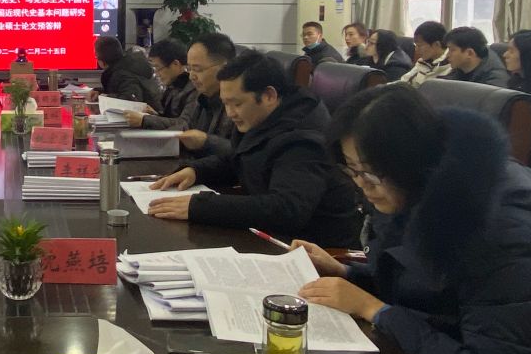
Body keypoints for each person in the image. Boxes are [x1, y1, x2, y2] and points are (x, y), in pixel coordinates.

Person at [292, 84, 531, 354]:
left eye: (369, 173)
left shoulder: (501, 234)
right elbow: (422, 286)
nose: (362, 187)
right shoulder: (417, 194)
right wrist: (347, 273)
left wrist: (376, 310)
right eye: (352, 171)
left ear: (409, 160)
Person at [148, 51, 360, 247]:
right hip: (271, 236)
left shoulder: (303, 138)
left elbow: (286, 209)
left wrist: (200, 207)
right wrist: (196, 170)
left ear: (269, 96)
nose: (230, 113)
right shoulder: (264, 117)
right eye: (225, 104)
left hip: (315, 250)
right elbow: (238, 159)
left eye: (237, 104)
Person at [174, 33, 238, 158]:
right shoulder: (203, 97)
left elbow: (244, 153)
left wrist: (207, 142)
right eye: (189, 69)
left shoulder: (240, 102)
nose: (191, 76)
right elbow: (186, 128)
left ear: (224, 68)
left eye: (197, 69)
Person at [123, 39, 197, 130]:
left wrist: (145, 120)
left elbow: (185, 124)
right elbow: (171, 118)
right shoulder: (174, 85)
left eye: (158, 68)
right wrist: (155, 115)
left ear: (175, 64)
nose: (157, 74)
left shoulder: (194, 88)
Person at [89, 36, 162, 110]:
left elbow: (131, 100)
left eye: (96, 57)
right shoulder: (125, 66)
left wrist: (103, 97)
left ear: (102, 61)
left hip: (150, 115)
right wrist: (100, 92)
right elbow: (122, 90)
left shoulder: (123, 73)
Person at [442, 26, 509, 87]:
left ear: (469, 53)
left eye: (452, 50)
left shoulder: (495, 82)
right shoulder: (460, 69)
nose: (447, 55)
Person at [399, 20, 452, 87]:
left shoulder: (451, 65)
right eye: (415, 45)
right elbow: (404, 81)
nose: (416, 49)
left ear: (436, 44)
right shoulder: (424, 62)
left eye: (419, 46)